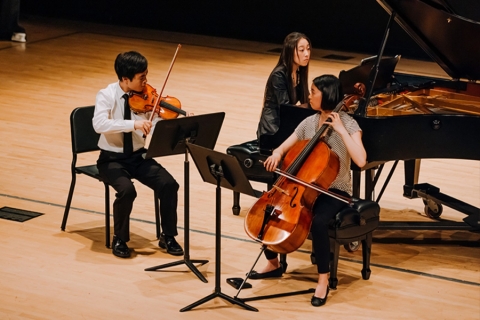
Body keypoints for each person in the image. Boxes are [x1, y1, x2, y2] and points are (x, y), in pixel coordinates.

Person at [249, 74, 367, 307]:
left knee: (319, 221)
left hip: (336, 191)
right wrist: (276, 154)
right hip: (304, 186)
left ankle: (322, 280)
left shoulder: (350, 125)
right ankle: (273, 263)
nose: (309, 95)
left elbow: (361, 160)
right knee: (268, 211)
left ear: (327, 95)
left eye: (313, 92)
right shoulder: (309, 123)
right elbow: (285, 145)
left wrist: (341, 131)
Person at [93, 51, 188, 258]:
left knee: (169, 184)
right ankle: (119, 238)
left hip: (138, 157)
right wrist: (132, 124)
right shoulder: (106, 95)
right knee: (127, 191)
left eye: (146, 75)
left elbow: (152, 126)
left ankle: (168, 236)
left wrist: (171, 124)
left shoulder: (146, 97)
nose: (146, 81)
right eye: (141, 77)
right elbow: (99, 124)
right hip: (111, 159)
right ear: (126, 79)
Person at [256, 32, 311, 139]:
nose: (307, 54)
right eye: (301, 50)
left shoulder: (299, 73)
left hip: (286, 123)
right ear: (290, 51)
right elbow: (286, 108)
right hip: (272, 129)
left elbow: (306, 100)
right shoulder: (279, 75)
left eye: (308, 49)